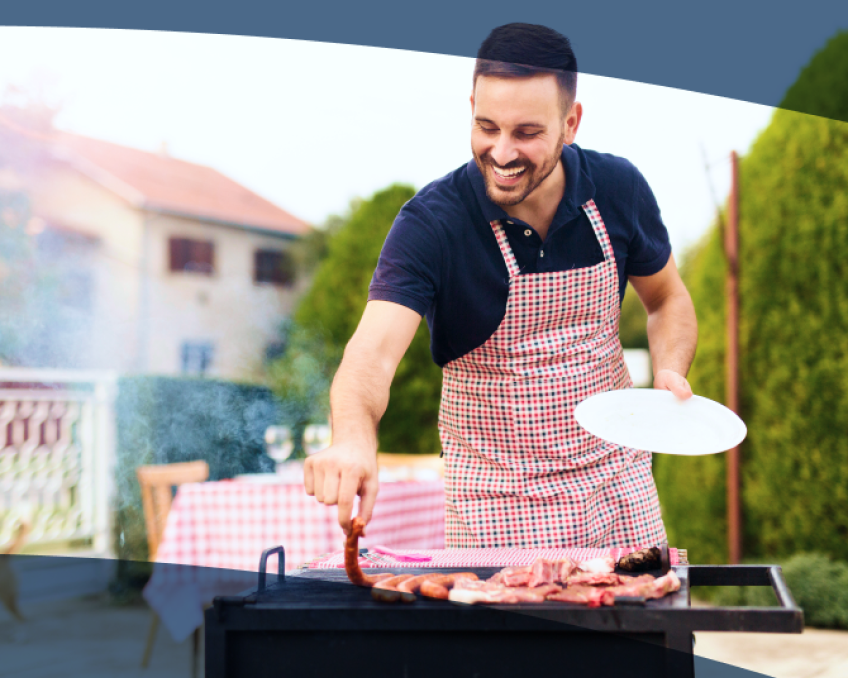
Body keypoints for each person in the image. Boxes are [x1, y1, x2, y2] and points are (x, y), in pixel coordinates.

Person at [304, 23, 697, 548]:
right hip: (497, 504)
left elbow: (667, 298)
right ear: (470, 107)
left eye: (526, 133)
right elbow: (370, 356)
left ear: (570, 122)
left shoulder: (618, 190)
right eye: (486, 126)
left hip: (617, 486)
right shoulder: (433, 224)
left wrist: (669, 371)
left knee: (647, 628)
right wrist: (352, 439)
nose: (503, 152)